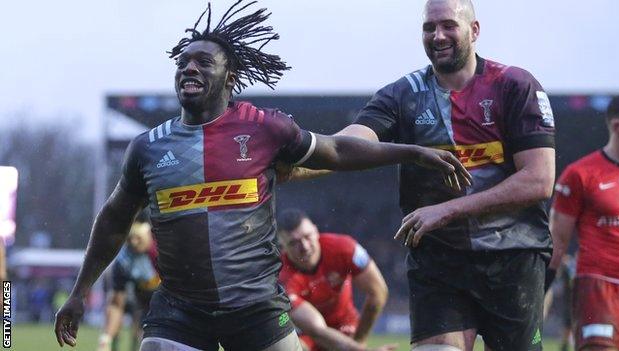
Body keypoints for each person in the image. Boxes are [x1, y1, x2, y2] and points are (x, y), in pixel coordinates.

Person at [54, 2, 470, 350]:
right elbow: (112, 220)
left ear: (230, 78)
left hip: (256, 308)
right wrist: (79, 292)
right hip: (179, 310)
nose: (189, 69)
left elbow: (338, 149)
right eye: (183, 63)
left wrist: (413, 152)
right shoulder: (147, 147)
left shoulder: (264, 128)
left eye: (203, 62)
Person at [288, 0, 556, 349]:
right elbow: (348, 145)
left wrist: (446, 210)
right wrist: (296, 166)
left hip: (513, 257)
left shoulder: (514, 85)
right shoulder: (404, 94)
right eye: (429, 28)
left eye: (448, 25)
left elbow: (538, 179)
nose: (438, 35)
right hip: (439, 261)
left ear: (474, 31)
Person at [550, 94, 619, 351]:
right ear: (617, 126)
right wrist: (540, 291)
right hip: (598, 286)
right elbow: (557, 240)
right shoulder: (580, 174)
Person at [277, 209, 396, 351]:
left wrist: (359, 341)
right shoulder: (280, 277)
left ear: (316, 230)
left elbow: (378, 292)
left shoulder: (345, 248)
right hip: (306, 333)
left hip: (345, 325)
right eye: (293, 243)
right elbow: (316, 330)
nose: (304, 247)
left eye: (307, 236)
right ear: (282, 246)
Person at [97, 221, 159, 351]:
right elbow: (116, 304)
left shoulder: (164, 250)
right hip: (141, 295)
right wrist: (105, 339)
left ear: (148, 234)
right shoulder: (123, 262)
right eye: (130, 239)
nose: (134, 242)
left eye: (138, 238)